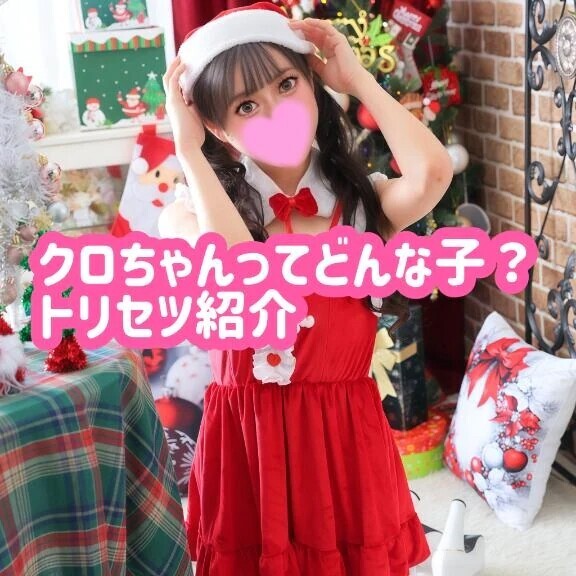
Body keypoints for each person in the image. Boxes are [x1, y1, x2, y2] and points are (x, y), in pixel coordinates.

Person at [159, 3, 453, 574]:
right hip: (250, 449)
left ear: (312, 85)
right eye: (246, 106)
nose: (277, 111)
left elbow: (432, 176)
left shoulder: (361, 205)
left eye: (287, 84)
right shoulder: (189, 213)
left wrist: (357, 79)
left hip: (344, 440)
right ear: (217, 127)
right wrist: (188, 150)